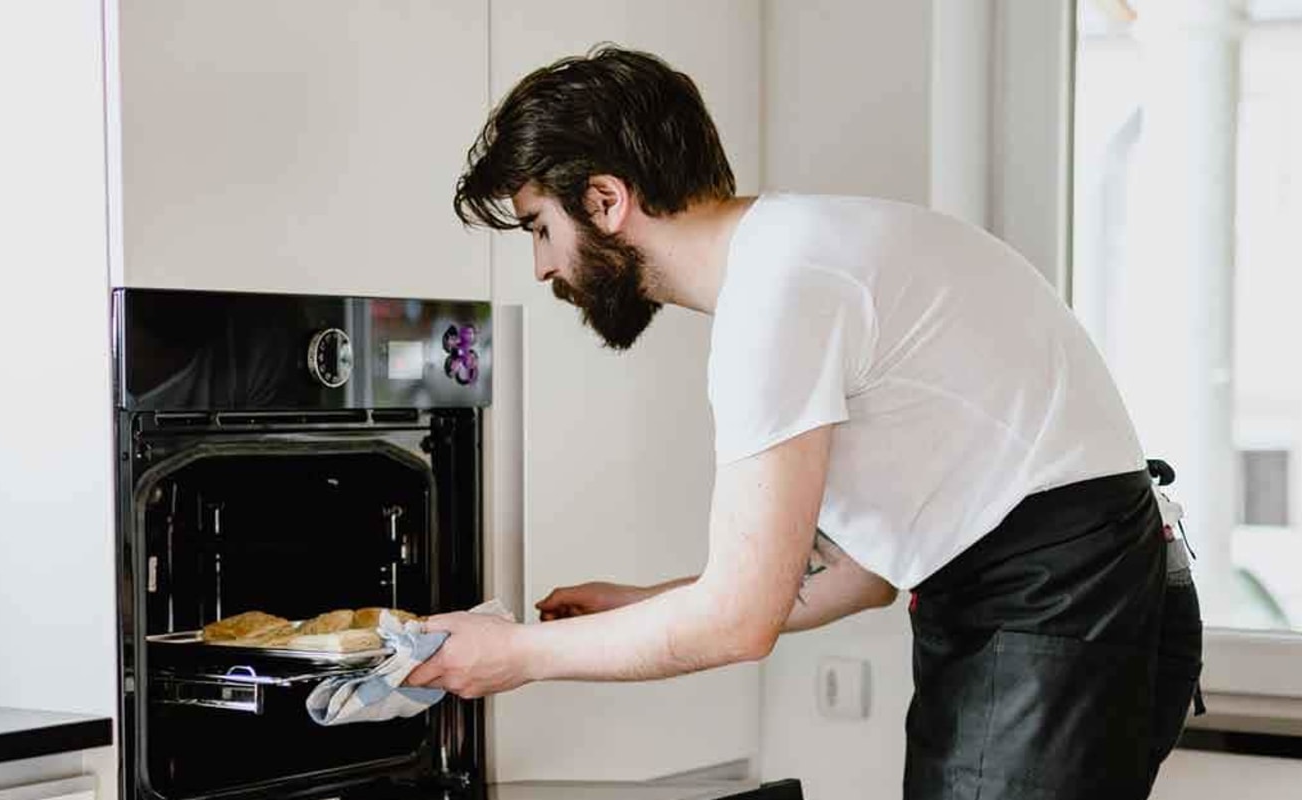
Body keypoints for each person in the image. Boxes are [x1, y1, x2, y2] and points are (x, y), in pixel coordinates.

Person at [403, 44, 1202, 800]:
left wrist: (516, 658)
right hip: (1069, 591)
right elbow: (859, 575)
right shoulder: (801, 255)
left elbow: (738, 623)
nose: (543, 266)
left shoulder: (777, 294)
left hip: (1054, 605)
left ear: (608, 201)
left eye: (542, 227)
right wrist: (644, 602)